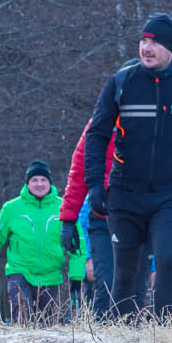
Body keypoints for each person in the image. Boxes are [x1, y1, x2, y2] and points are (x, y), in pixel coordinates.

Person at [81, 12, 172, 319]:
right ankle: (124, 339)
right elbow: (96, 135)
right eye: (143, 41)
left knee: (168, 259)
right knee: (126, 270)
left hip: (170, 193)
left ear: (170, 48)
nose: (146, 48)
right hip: (125, 192)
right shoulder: (120, 83)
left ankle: (164, 333)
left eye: (154, 42)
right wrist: (94, 185)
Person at [0, 160, 81, 322]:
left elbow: (78, 246)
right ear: (27, 183)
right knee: (23, 318)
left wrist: (76, 276)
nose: (39, 184)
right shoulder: (11, 208)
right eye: (34, 180)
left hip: (51, 276)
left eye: (43, 180)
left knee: (49, 328)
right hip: (20, 271)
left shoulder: (64, 208)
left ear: (49, 183)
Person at [58, 130, 117, 316]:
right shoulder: (92, 195)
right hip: (97, 247)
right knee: (101, 287)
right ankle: (96, 325)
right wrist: (89, 258)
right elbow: (83, 224)